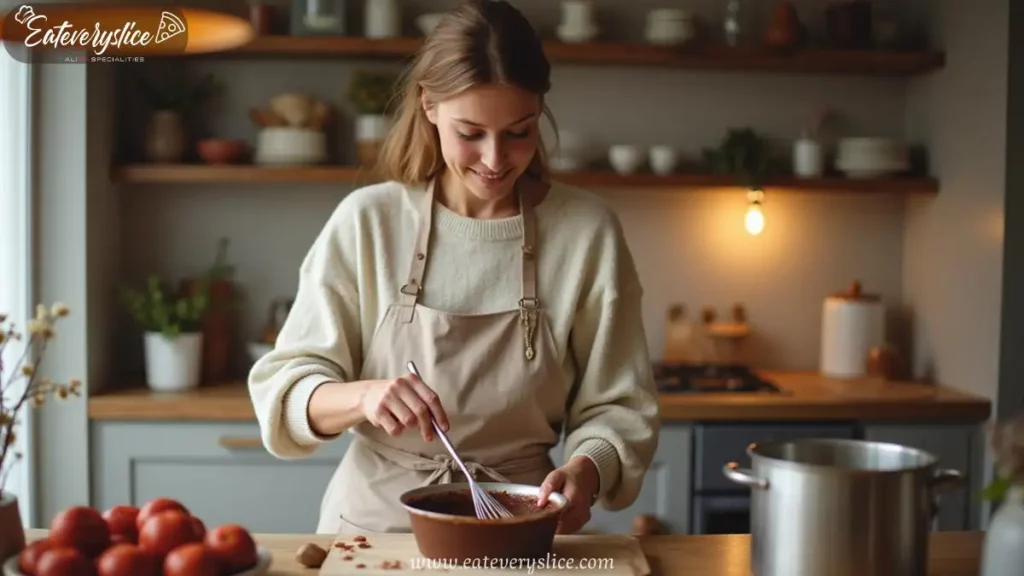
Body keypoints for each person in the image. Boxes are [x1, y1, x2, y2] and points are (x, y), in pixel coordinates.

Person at [248, 0, 660, 536]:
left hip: (522, 525)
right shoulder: (368, 221)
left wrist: (587, 470)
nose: (494, 159)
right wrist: (364, 396)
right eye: (471, 133)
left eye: (519, 132)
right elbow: (286, 392)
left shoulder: (587, 233)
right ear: (429, 106)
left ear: (540, 111)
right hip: (371, 530)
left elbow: (620, 406)